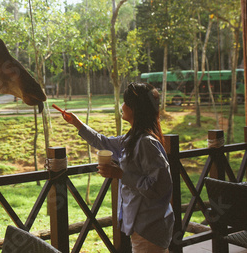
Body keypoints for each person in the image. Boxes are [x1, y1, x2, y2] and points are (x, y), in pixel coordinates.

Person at [59, 82, 174, 252]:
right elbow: (102, 141)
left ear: (135, 108)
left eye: (125, 102)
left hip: (150, 227)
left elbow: (161, 186)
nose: (122, 106)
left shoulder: (146, 142)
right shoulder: (132, 138)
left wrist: (121, 174)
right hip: (141, 225)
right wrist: (76, 123)